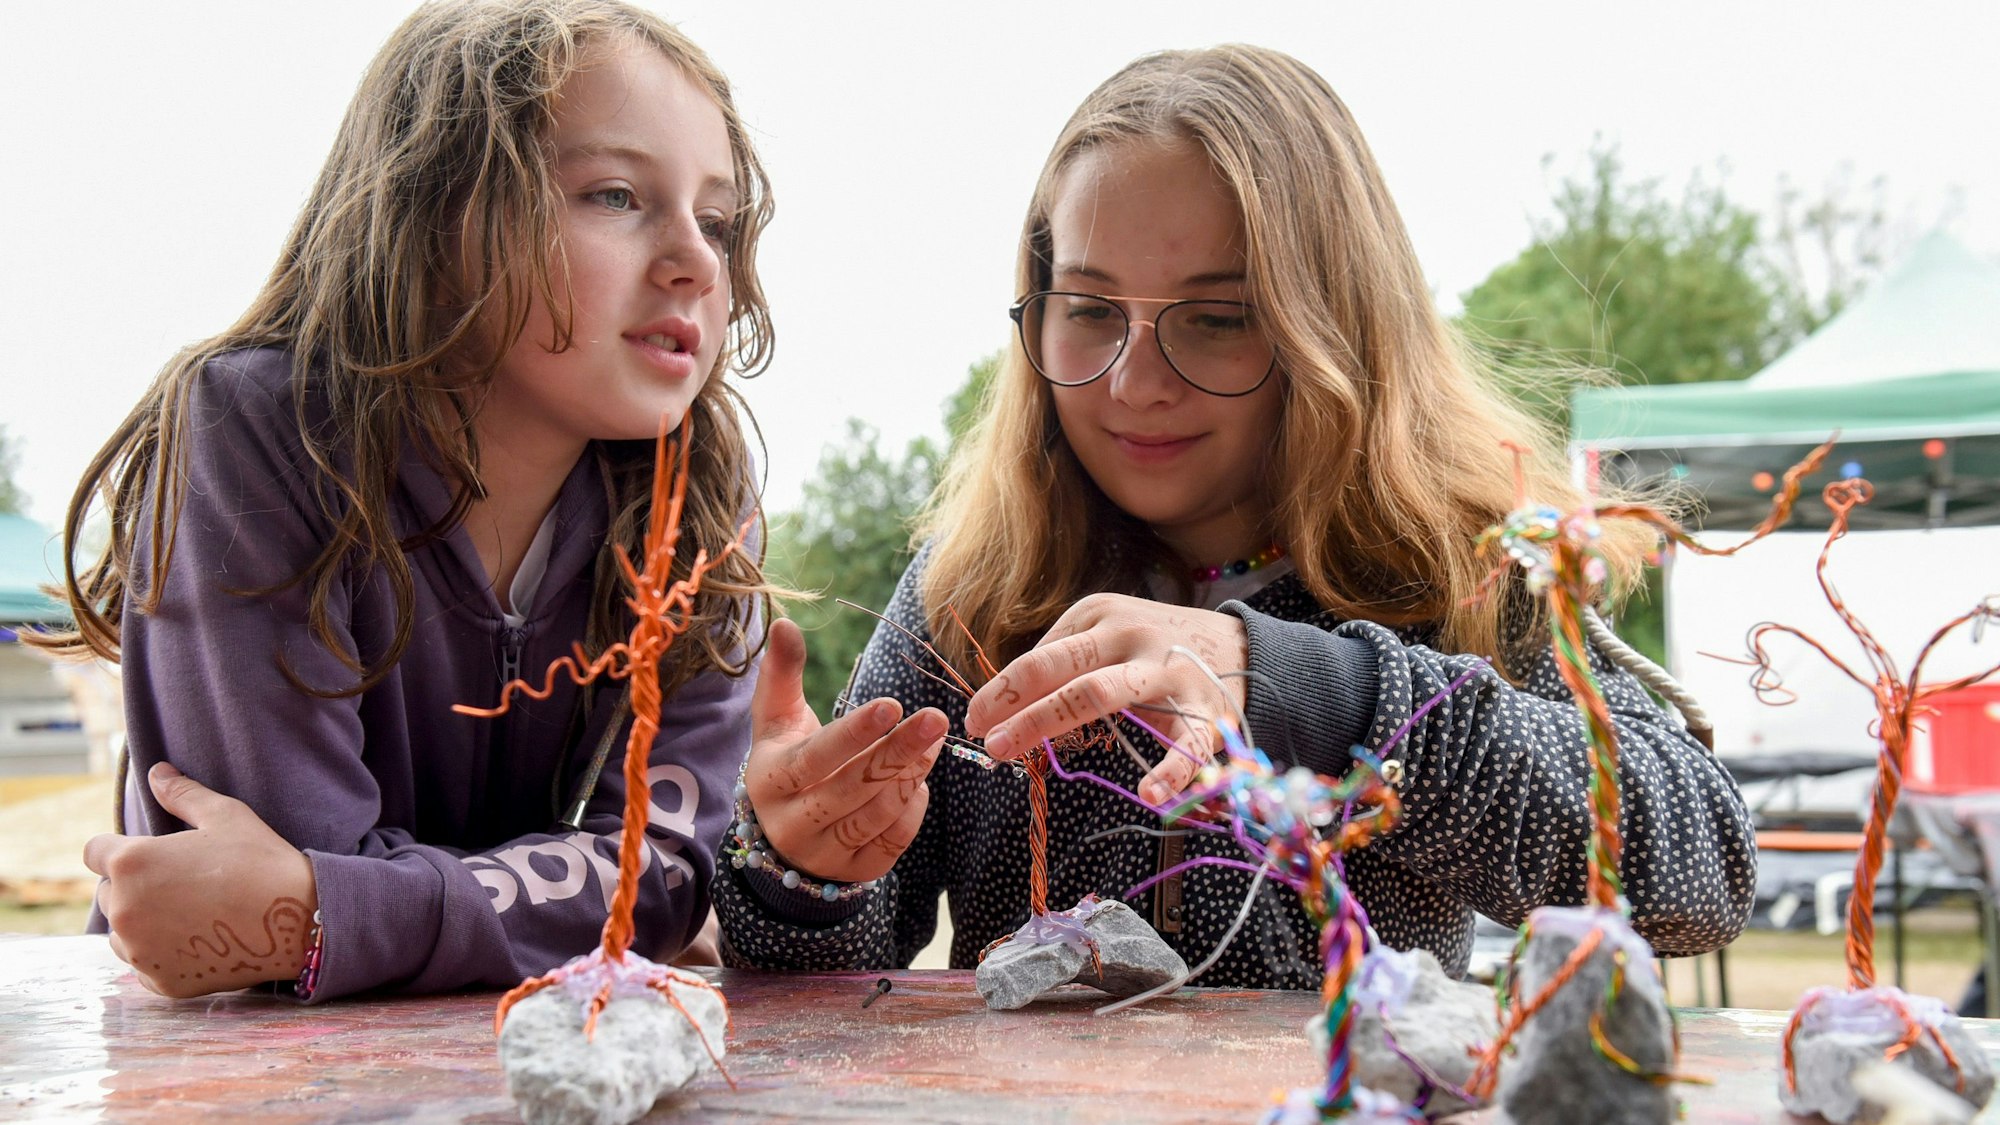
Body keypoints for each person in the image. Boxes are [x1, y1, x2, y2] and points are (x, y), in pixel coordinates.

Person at [718, 45, 1756, 987]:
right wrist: (802, 875)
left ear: (1336, 330)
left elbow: (1698, 870)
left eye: (1215, 320)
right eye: (1086, 311)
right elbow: (829, 980)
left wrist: (1313, 691)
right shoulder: (969, 588)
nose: (1131, 383)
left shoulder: (1463, 572)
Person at [39, 0, 779, 1001]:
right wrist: (338, 905)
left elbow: (665, 883)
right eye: (614, 195)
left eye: (720, 220)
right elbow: (262, 893)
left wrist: (336, 910)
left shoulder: (697, 506)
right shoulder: (254, 434)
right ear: (437, 215)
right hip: (244, 1076)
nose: (697, 259)